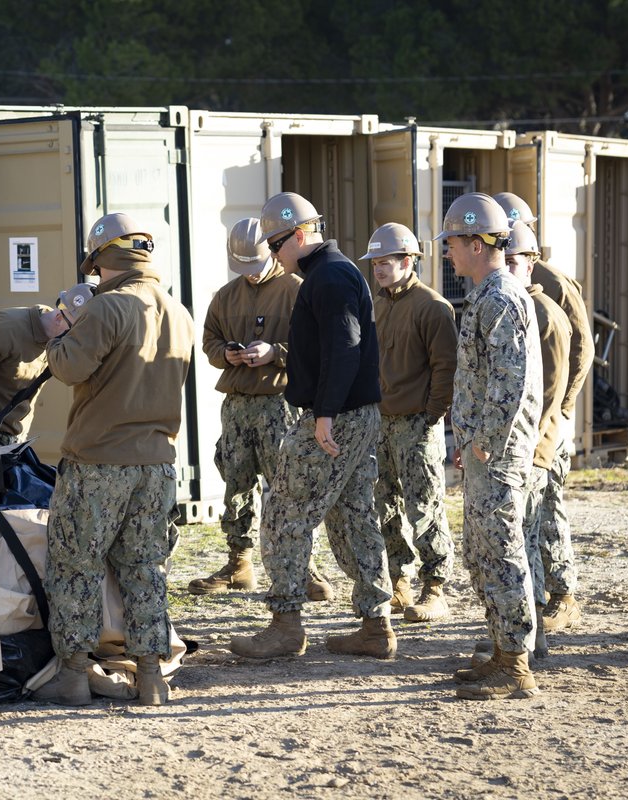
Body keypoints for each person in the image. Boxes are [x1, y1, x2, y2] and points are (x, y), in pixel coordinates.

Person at [32, 212, 194, 707]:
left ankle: (74, 675)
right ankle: (150, 676)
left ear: (102, 259)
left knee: (76, 564)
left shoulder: (108, 309)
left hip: (100, 461)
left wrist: (63, 332)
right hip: (157, 464)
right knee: (145, 568)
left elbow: (65, 366)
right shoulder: (178, 311)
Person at [228, 192, 396, 661]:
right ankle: (374, 626)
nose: (273, 255)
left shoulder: (330, 276)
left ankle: (285, 625)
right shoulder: (330, 273)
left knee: (283, 512)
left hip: (337, 416)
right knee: (353, 517)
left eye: (277, 244)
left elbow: (344, 347)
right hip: (351, 413)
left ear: (300, 235)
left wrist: (324, 415)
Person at [187, 217, 336, 600]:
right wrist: (228, 355)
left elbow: (317, 347)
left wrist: (276, 354)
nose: (250, 276)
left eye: (255, 266)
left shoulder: (297, 289)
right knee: (236, 483)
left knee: (290, 486)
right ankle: (239, 563)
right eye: (243, 269)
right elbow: (209, 342)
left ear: (270, 253)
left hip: (280, 404)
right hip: (237, 404)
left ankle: (305, 568)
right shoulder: (225, 296)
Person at [440, 193, 543, 700]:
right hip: (484, 449)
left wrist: (485, 438)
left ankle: (516, 665)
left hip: (497, 453)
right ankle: (502, 652)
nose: (447, 251)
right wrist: (467, 435)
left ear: (479, 243)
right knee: (482, 551)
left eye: (453, 241)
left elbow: (511, 378)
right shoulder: (488, 294)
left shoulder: (501, 297)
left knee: (501, 551)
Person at [492, 192, 593, 633]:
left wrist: (560, 411)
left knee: (547, 508)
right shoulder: (498, 285)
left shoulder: (551, 283)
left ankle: (563, 593)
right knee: (536, 511)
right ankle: (547, 595)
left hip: (549, 419)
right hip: (531, 418)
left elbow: (581, 351)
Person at [358, 222, 457, 622]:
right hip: (381, 423)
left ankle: (435, 589)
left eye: (386, 262)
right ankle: (399, 580)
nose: (378, 270)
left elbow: (446, 368)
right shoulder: (377, 305)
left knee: (426, 506)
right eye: (375, 263)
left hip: (418, 424)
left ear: (408, 260)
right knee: (386, 506)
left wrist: (432, 416)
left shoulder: (433, 307)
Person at [505, 221, 571, 659]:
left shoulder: (544, 312)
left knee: (525, 540)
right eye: (503, 261)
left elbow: (548, 391)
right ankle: (530, 636)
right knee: (521, 539)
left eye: (515, 261)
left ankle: (531, 637)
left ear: (531, 263)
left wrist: (529, 443)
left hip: (533, 446)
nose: (507, 270)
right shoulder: (515, 307)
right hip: (523, 445)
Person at [0, 289, 84, 446]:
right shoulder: (5, 327)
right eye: (76, 331)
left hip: (12, 440)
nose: (78, 339)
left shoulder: (54, 341)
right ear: (59, 317)